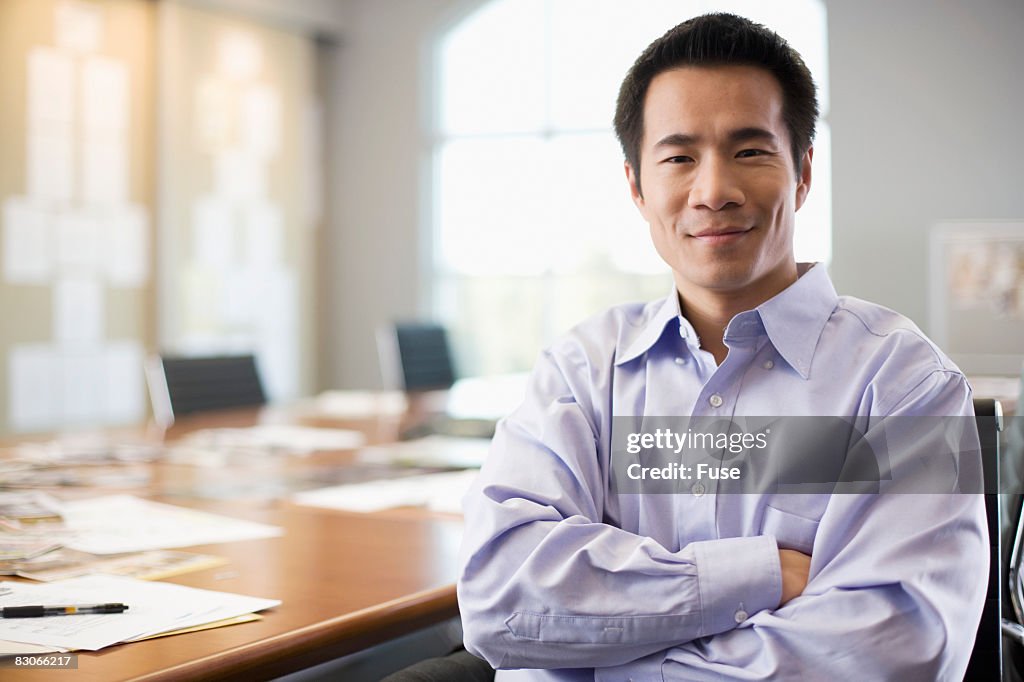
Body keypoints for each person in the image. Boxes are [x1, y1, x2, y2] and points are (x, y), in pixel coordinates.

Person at [457, 12, 987, 681]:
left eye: (750, 151)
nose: (714, 192)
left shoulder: (909, 384)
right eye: (679, 158)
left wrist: (602, 659)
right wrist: (760, 574)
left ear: (802, 173)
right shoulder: (582, 370)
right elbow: (498, 602)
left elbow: (899, 647)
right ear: (636, 187)